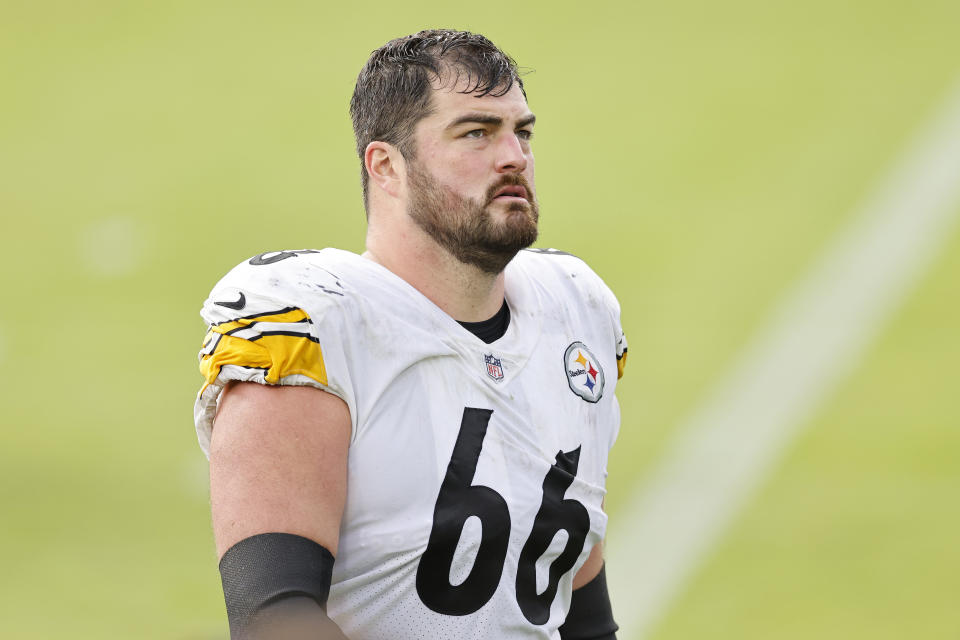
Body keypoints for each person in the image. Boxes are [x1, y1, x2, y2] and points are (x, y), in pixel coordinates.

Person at [194, 29, 627, 640]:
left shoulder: (575, 312)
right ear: (387, 166)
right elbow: (274, 618)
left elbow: (579, 601)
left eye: (520, 132)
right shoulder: (316, 325)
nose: (513, 157)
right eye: (476, 133)